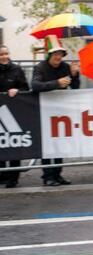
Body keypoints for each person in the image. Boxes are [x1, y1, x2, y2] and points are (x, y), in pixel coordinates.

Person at [32, 35, 79, 186]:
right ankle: (47, 176)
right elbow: (35, 86)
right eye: (55, 54)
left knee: (60, 143)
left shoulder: (65, 67)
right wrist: (56, 83)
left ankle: (57, 174)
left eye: (60, 54)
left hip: (61, 110)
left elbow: (75, 87)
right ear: (50, 55)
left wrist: (74, 75)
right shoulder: (40, 67)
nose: (58, 57)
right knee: (47, 144)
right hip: (44, 110)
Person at [0, 45, 30, 188]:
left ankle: (13, 177)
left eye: (6, 53)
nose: (4, 56)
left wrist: (17, 90)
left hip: (14, 113)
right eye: (1, 54)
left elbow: (26, 88)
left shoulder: (17, 69)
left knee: (14, 143)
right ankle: (2, 176)